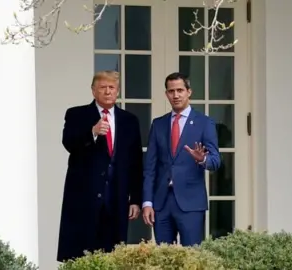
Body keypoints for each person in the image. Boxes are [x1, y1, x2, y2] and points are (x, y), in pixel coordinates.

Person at [57, 71, 143, 262]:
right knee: (82, 255)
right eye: (102, 87)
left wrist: (135, 199)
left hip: (117, 198)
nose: (107, 91)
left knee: (114, 255)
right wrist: (92, 133)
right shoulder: (77, 114)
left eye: (111, 88)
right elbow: (68, 143)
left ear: (117, 91)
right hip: (84, 197)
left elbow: (135, 162)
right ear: (93, 91)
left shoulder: (129, 120)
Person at [142, 72, 221, 246]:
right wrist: (147, 202)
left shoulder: (204, 123)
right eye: (171, 91)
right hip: (161, 204)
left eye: (180, 90)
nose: (176, 95)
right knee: (164, 259)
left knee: (192, 258)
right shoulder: (158, 124)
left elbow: (215, 161)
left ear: (189, 92)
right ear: (166, 94)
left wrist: (202, 159)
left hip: (190, 204)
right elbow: (150, 168)